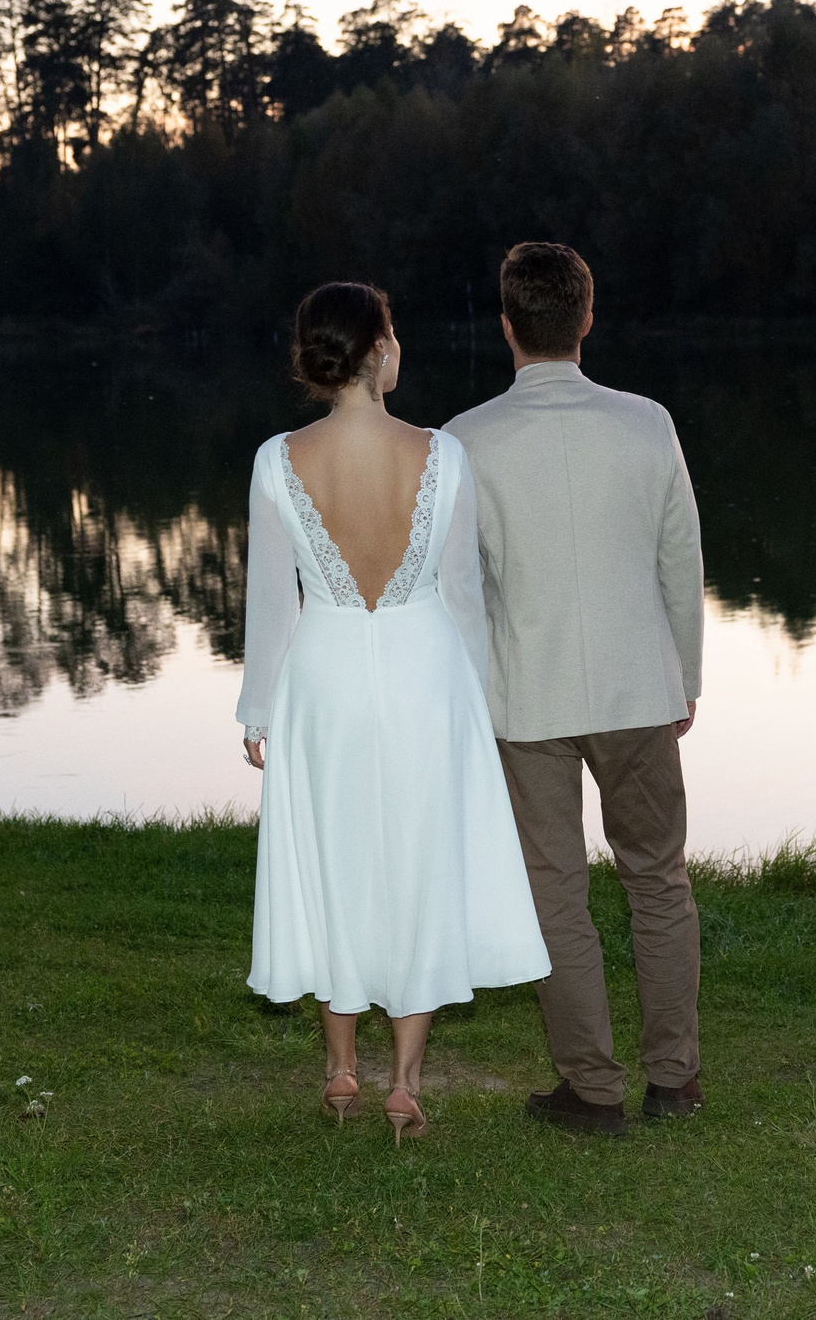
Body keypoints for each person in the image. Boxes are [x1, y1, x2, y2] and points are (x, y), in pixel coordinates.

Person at [238, 281, 549, 1146]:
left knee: (335, 860)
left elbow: (271, 601)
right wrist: (477, 702)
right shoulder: (443, 455)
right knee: (419, 862)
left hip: (324, 678)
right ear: (377, 349)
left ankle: (341, 1067)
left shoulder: (277, 459)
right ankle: (405, 1082)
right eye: (395, 331)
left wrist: (258, 709)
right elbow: (462, 594)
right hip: (424, 676)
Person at [445, 242, 706, 1135]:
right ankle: (673, 1078)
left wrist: (467, 696)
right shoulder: (647, 422)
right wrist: (685, 677)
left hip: (528, 694)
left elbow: (458, 589)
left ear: (507, 326)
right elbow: (681, 564)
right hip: (638, 689)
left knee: (554, 888)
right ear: (588, 318)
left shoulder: (464, 440)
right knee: (657, 877)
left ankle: (593, 1088)